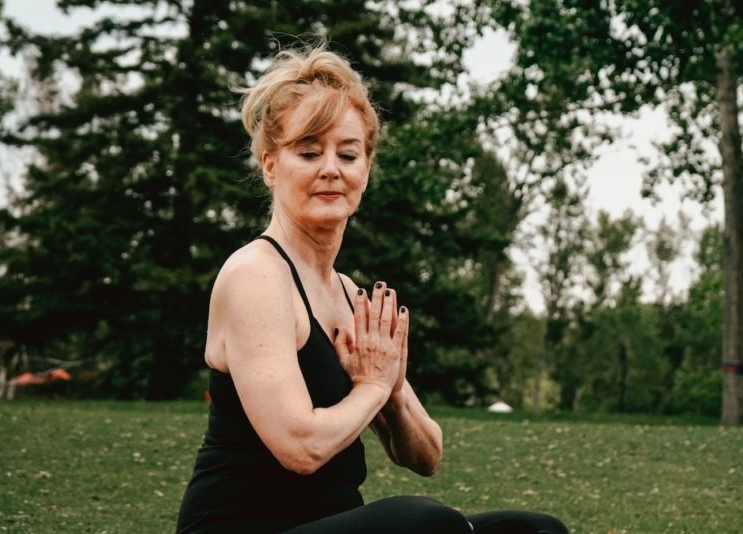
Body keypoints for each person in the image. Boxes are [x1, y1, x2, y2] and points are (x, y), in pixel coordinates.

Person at [176, 43, 569, 534]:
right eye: (308, 152)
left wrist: (393, 387)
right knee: (423, 523)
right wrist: (374, 386)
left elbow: (426, 455)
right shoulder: (256, 275)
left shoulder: (346, 293)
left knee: (535, 531)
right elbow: (300, 448)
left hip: (328, 524)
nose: (331, 169)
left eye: (348, 153)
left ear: (366, 166)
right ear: (270, 164)